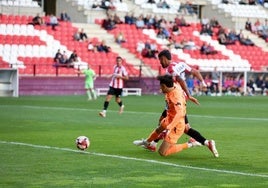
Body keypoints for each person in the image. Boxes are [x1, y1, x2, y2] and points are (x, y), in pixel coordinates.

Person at [134, 49, 219, 158]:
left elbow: (180, 80)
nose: (160, 63)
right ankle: (206, 142)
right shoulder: (181, 64)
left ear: (164, 58)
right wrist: (203, 83)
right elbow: (196, 72)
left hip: (176, 99)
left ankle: (153, 143)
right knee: (183, 127)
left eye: (160, 60)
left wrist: (188, 95)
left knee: (167, 122)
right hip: (178, 97)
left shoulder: (170, 69)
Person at [134, 75, 201, 156]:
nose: (160, 89)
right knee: (159, 129)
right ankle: (147, 142)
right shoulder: (174, 85)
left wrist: (169, 128)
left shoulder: (176, 97)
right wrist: (189, 96)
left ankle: (190, 143)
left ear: (164, 86)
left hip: (177, 124)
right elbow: (179, 80)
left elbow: (180, 114)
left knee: (162, 152)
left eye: (161, 87)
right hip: (170, 117)